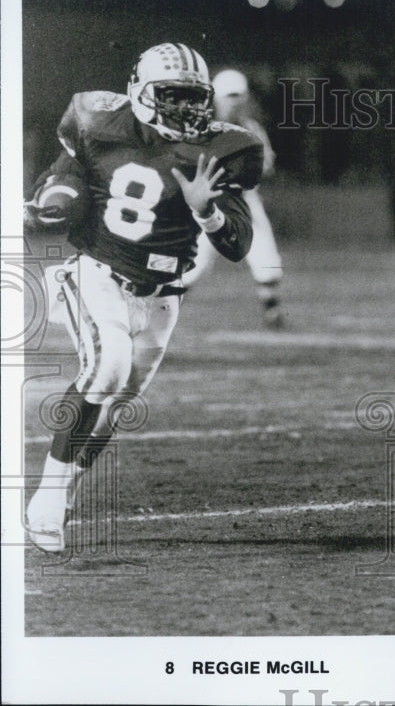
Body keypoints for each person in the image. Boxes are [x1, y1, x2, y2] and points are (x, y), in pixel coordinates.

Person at [23, 43, 261, 553]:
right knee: (106, 367)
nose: (184, 108)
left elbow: (238, 246)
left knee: (120, 401)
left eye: (194, 97)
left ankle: (68, 488)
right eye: (171, 96)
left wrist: (207, 212)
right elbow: (63, 177)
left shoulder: (223, 151)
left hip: (163, 296)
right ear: (139, 91)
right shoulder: (98, 122)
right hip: (99, 274)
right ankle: (46, 498)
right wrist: (54, 199)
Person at [181, 69, 285, 328]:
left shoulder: (252, 129)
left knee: (266, 256)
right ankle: (160, 311)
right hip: (210, 201)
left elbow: (267, 168)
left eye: (238, 96)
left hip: (244, 199)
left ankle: (272, 313)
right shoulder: (198, 129)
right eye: (229, 96)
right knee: (196, 264)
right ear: (215, 97)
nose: (234, 101)